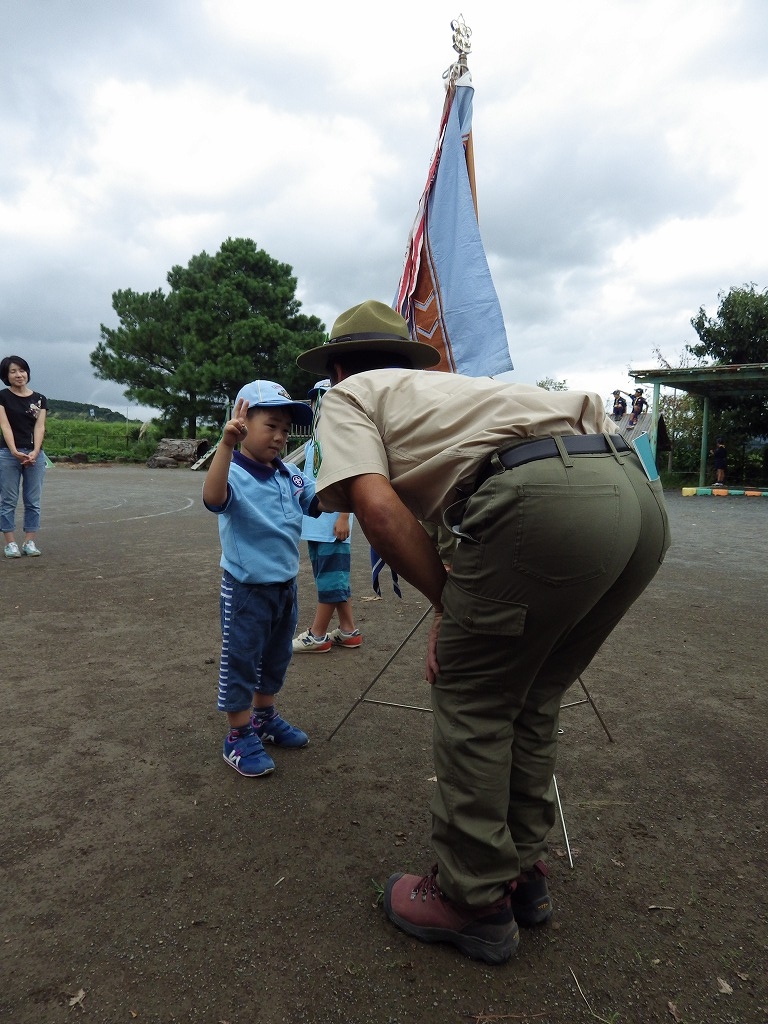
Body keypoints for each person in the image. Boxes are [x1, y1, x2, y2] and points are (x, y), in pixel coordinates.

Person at [297, 299, 670, 965]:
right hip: (634, 493)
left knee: (475, 698)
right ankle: (523, 871)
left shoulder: (350, 396)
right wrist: (457, 607)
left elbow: (377, 509)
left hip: (541, 499)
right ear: (409, 360)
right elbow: (455, 518)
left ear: (340, 369)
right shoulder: (455, 394)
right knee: (534, 693)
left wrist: (453, 605)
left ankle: (472, 900)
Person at [202, 380, 319, 778]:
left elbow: (319, 501)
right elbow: (213, 498)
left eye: (286, 429)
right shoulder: (234, 472)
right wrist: (225, 445)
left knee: (276, 656)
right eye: (271, 425)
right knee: (241, 658)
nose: (280, 436)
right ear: (243, 420)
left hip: (285, 587)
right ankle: (237, 735)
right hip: (246, 590)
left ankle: (264, 717)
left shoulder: (289, 474)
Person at [293, 379, 362, 653]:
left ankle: (318, 635)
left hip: (333, 525)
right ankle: (348, 630)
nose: (318, 405)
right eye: (315, 400)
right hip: (316, 524)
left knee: (330, 579)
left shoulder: (340, 438)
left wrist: (344, 516)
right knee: (332, 576)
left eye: (324, 399)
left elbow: (350, 478)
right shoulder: (315, 440)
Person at [0, 355, 47, 558]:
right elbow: (5, 426)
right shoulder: (2, 397)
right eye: (13, 371)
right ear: (6, 375)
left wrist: (35, 451)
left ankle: (29, 541)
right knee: (8, 500)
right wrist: (14, 451)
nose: (19, 375)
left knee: (33, 500)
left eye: (22, 370)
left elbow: (40, 427)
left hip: (35, 455)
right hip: (8, 454)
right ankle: (10, 543)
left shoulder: (40, 399)